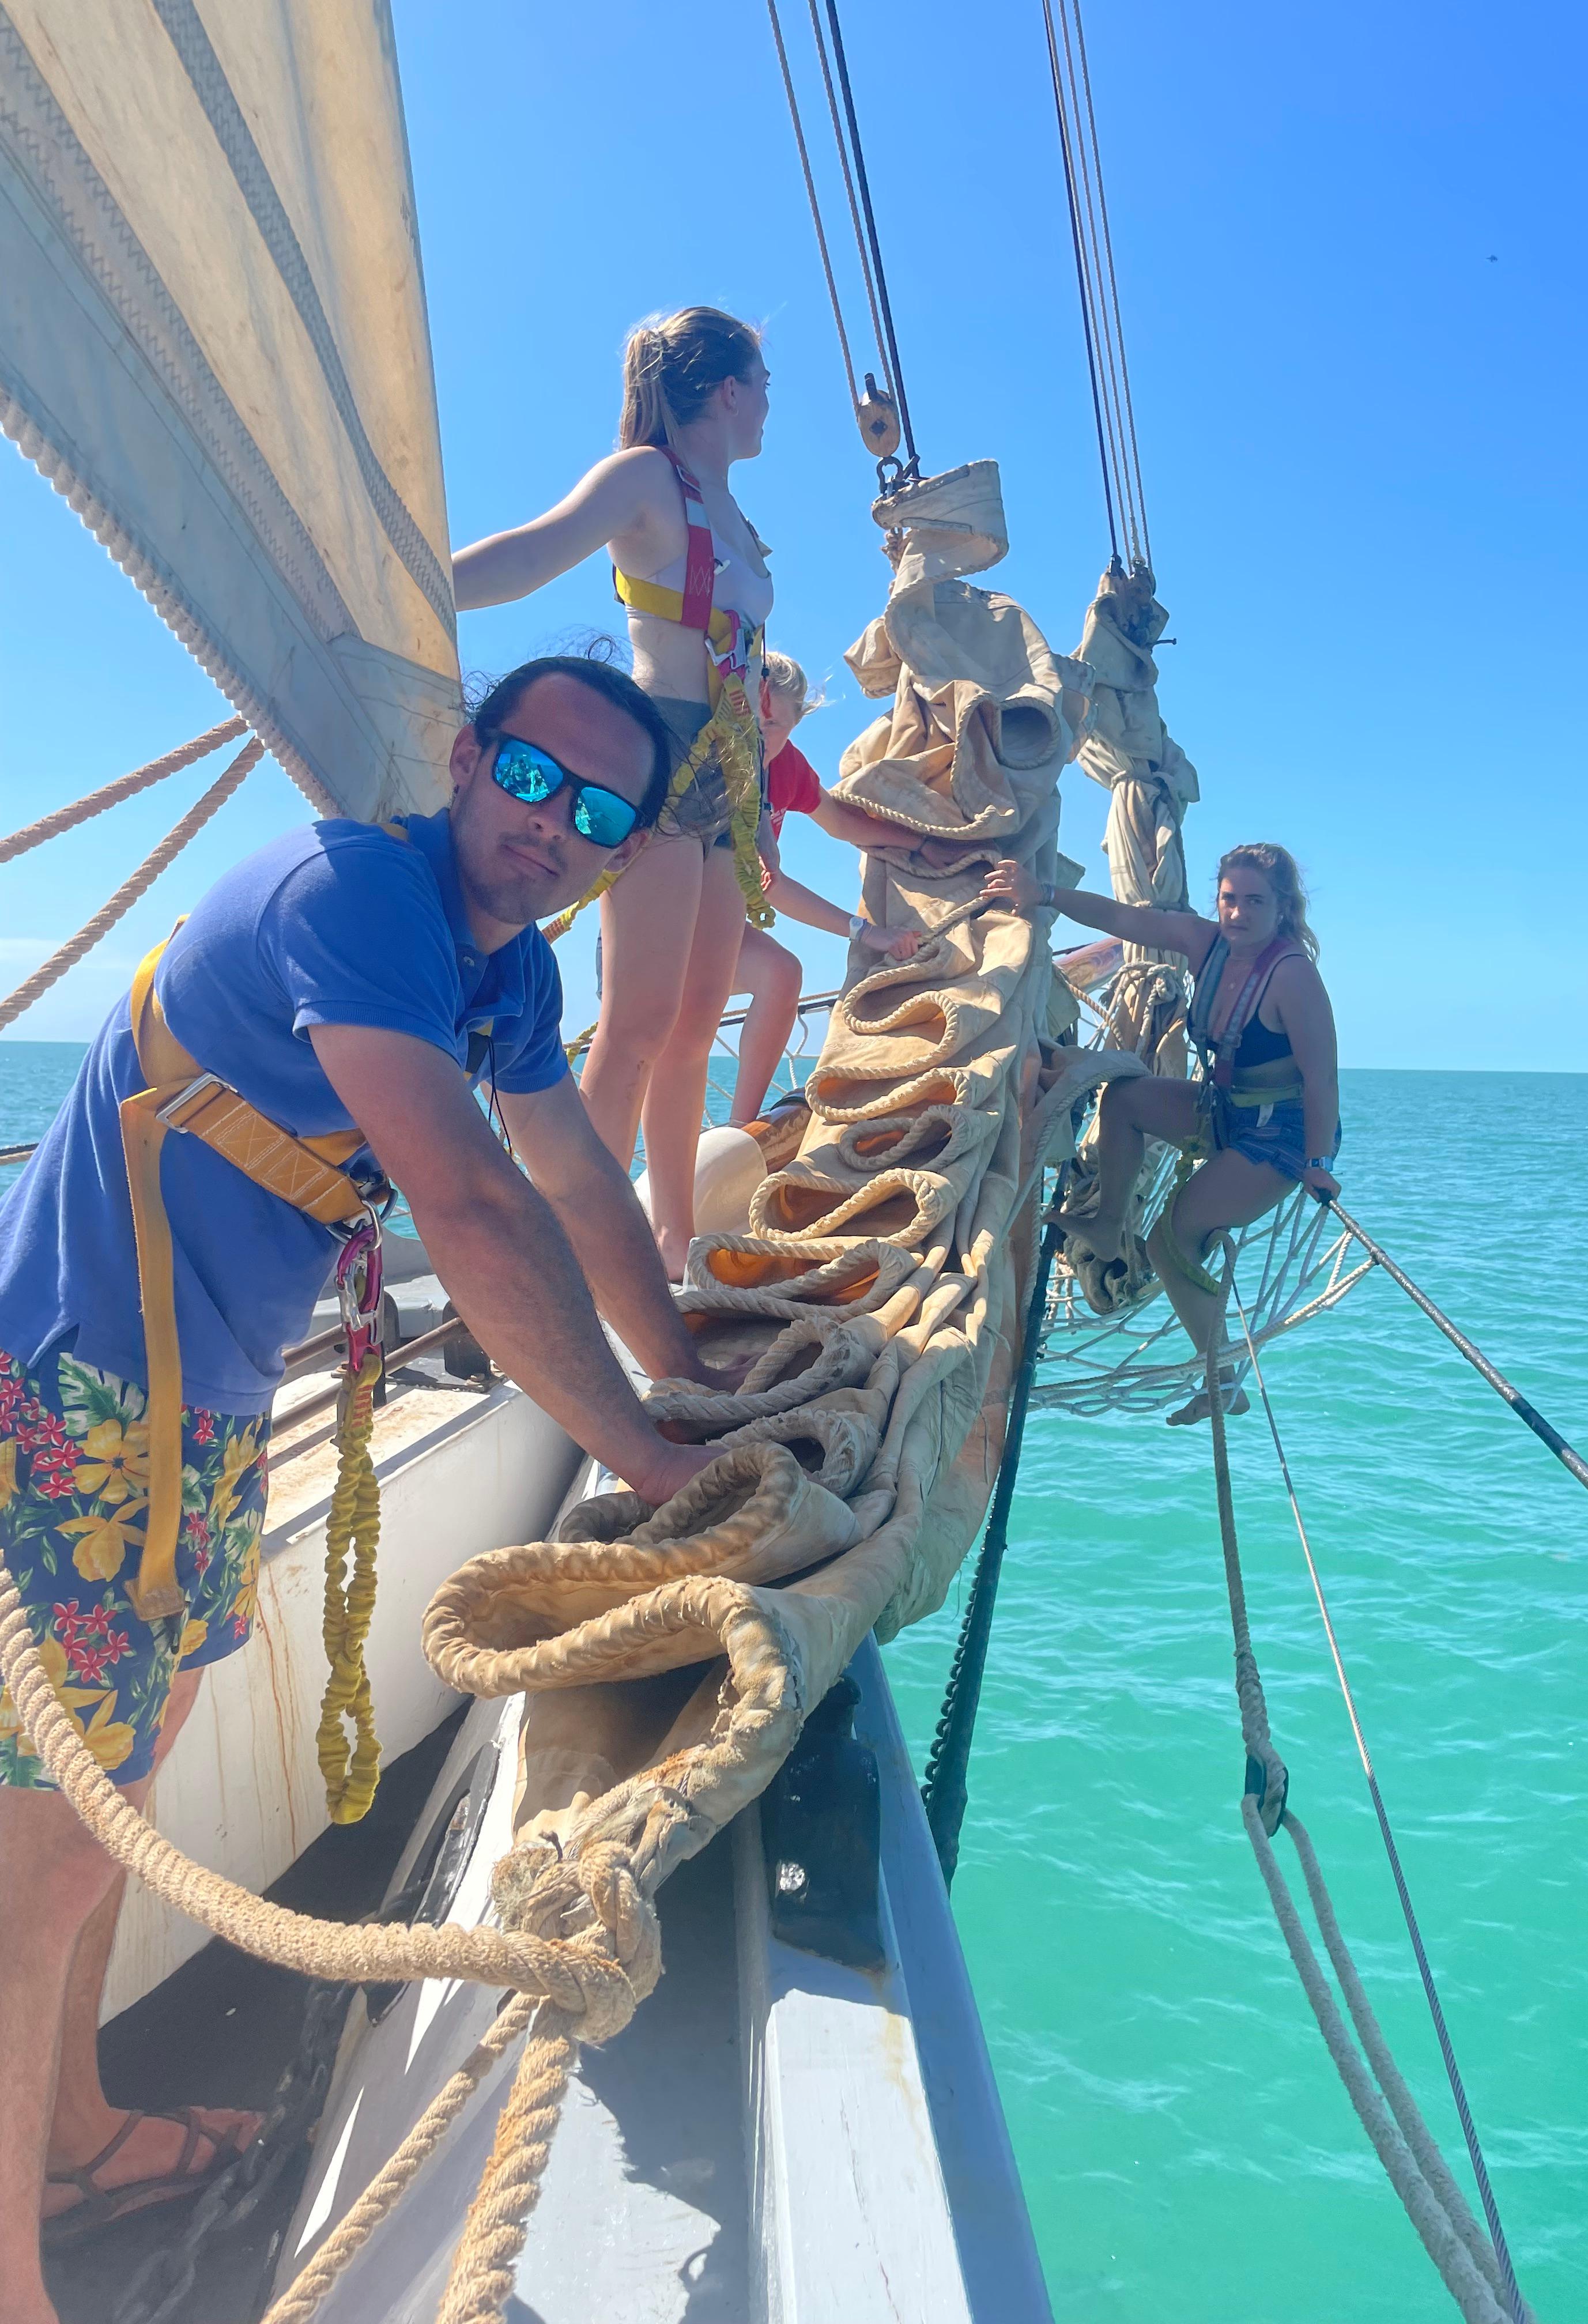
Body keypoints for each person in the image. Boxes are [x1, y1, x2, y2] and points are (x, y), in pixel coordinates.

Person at [0, 654, 723, 2321]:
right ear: (469, 761)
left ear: (619, 853)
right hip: (77, 1397)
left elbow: (576, 1184)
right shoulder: (359, 893)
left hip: (205, 1411)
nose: (555, 827)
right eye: (535, 779)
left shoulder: (511, 982)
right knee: (46, 1859)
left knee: (131, 1791)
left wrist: (686, 1373)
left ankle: (77, 2137)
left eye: (600, 814)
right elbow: (469, 1206)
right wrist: (645, 1459)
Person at [452, 306, 784, 1281]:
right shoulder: (647, 480)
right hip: (658, 757)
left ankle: (673, 1245)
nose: (768, 407)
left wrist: (756, 804)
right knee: (636, 1024)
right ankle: (568, 1247)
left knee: (691, 1029)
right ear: (726, 389)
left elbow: (749, 666)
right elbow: (529, 553)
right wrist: (409, 586)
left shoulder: (737, 516)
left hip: (728, 773)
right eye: (761, 385)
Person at [982, 843, 1341, 1423]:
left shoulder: (1291, 976)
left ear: (1281, 909)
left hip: (1282, 1137)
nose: (1238, 913)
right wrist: (1042, 894)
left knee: (1169, 1243)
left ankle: (1223, 1380)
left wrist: (1320, 1161)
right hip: (1224, 1109)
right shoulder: (1208, 945)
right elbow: (1128, 920)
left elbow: (1322, 1077)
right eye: (1229, 899)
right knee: (1125, 1099)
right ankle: (1104, 1227)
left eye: (1255, 901)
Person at [727, 651, 919, 1125]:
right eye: (750, 716)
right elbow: (770, 884)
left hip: (715, 931)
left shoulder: (785, 768)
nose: (758, 733)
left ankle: (739, 1131)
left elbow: (840, 824)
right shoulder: (709, 760)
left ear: (794, 725)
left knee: (781, 975)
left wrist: (924, 843)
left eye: (773, 725)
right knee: (665, 1040)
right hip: (652, 932)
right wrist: (863, 931)